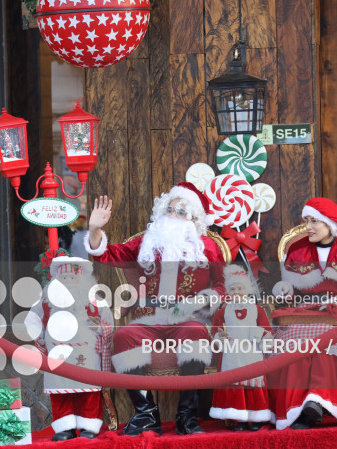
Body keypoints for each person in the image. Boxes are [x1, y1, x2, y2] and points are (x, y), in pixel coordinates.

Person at [85, 182, 226, 436]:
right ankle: (146, 413)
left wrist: (204, 300)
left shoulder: (207, 247)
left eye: (182, 212)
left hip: (187, 319)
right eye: (169, 209)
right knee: (123, 335)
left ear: (194, 219)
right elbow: (105, 254)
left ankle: (186, 416)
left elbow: (223, 284)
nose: (173, 215)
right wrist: (95, 229)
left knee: (195, 333)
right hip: (148, 319)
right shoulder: (147, 242)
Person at [269, 197, 337, 430]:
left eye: (314, 221)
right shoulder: (297, 250)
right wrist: (284, 290)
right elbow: (291, 294)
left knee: (325, 336)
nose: (307, 227)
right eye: (306, 221)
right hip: (303, 313)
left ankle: (316, 402)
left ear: (329, 224)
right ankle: (296, 406)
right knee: (295, 337)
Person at [28, 256, 113, 441]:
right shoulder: (46, 302)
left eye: (72, 278)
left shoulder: (95, 302)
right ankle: (64, 428)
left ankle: (88, 425)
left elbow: (109, 323)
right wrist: (39, 338)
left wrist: (99, 327)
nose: (67, 282)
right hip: (57, 355)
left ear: (81, 281)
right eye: (64, 279)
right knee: (61, 392)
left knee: (88, 390)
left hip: (87, 355)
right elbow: (32, 320)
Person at [209, 265, 273, 431]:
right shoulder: (223, 312)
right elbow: (216, 331)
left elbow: (267, 330)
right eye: (232, 289)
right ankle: (240, 419)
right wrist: (220, 337)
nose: (236, 292)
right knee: (235, 385)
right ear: (228, 292)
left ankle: (257, 417)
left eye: (240, 288)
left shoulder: (257, 310)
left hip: (252, 353)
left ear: (247, 290)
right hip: (232, 353)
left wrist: (262, 337)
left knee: (253, 384)